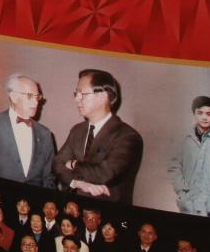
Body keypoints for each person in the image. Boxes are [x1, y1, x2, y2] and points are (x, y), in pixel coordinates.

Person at [53, 69, 144, 202]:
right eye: (76, 93)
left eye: (82, 94)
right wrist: (76, 183)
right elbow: (57, 164)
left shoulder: (128, 136)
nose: (77, 99)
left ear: (103, 97)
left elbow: (104, 174)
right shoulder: (77, 130)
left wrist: (73, 164)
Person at [0, 75, 58, 188]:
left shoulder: (45, 134)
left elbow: (49, 177)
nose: (36, 102)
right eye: (30, 96)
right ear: (13, 97)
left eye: (37, 97)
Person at [169, 96, 210, 217]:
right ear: (194, 114)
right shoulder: (184, 139)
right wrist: (181, 191)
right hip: (188, 204)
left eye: (209, 114)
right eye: (200, 113)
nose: (204, 117)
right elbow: (174, 167)